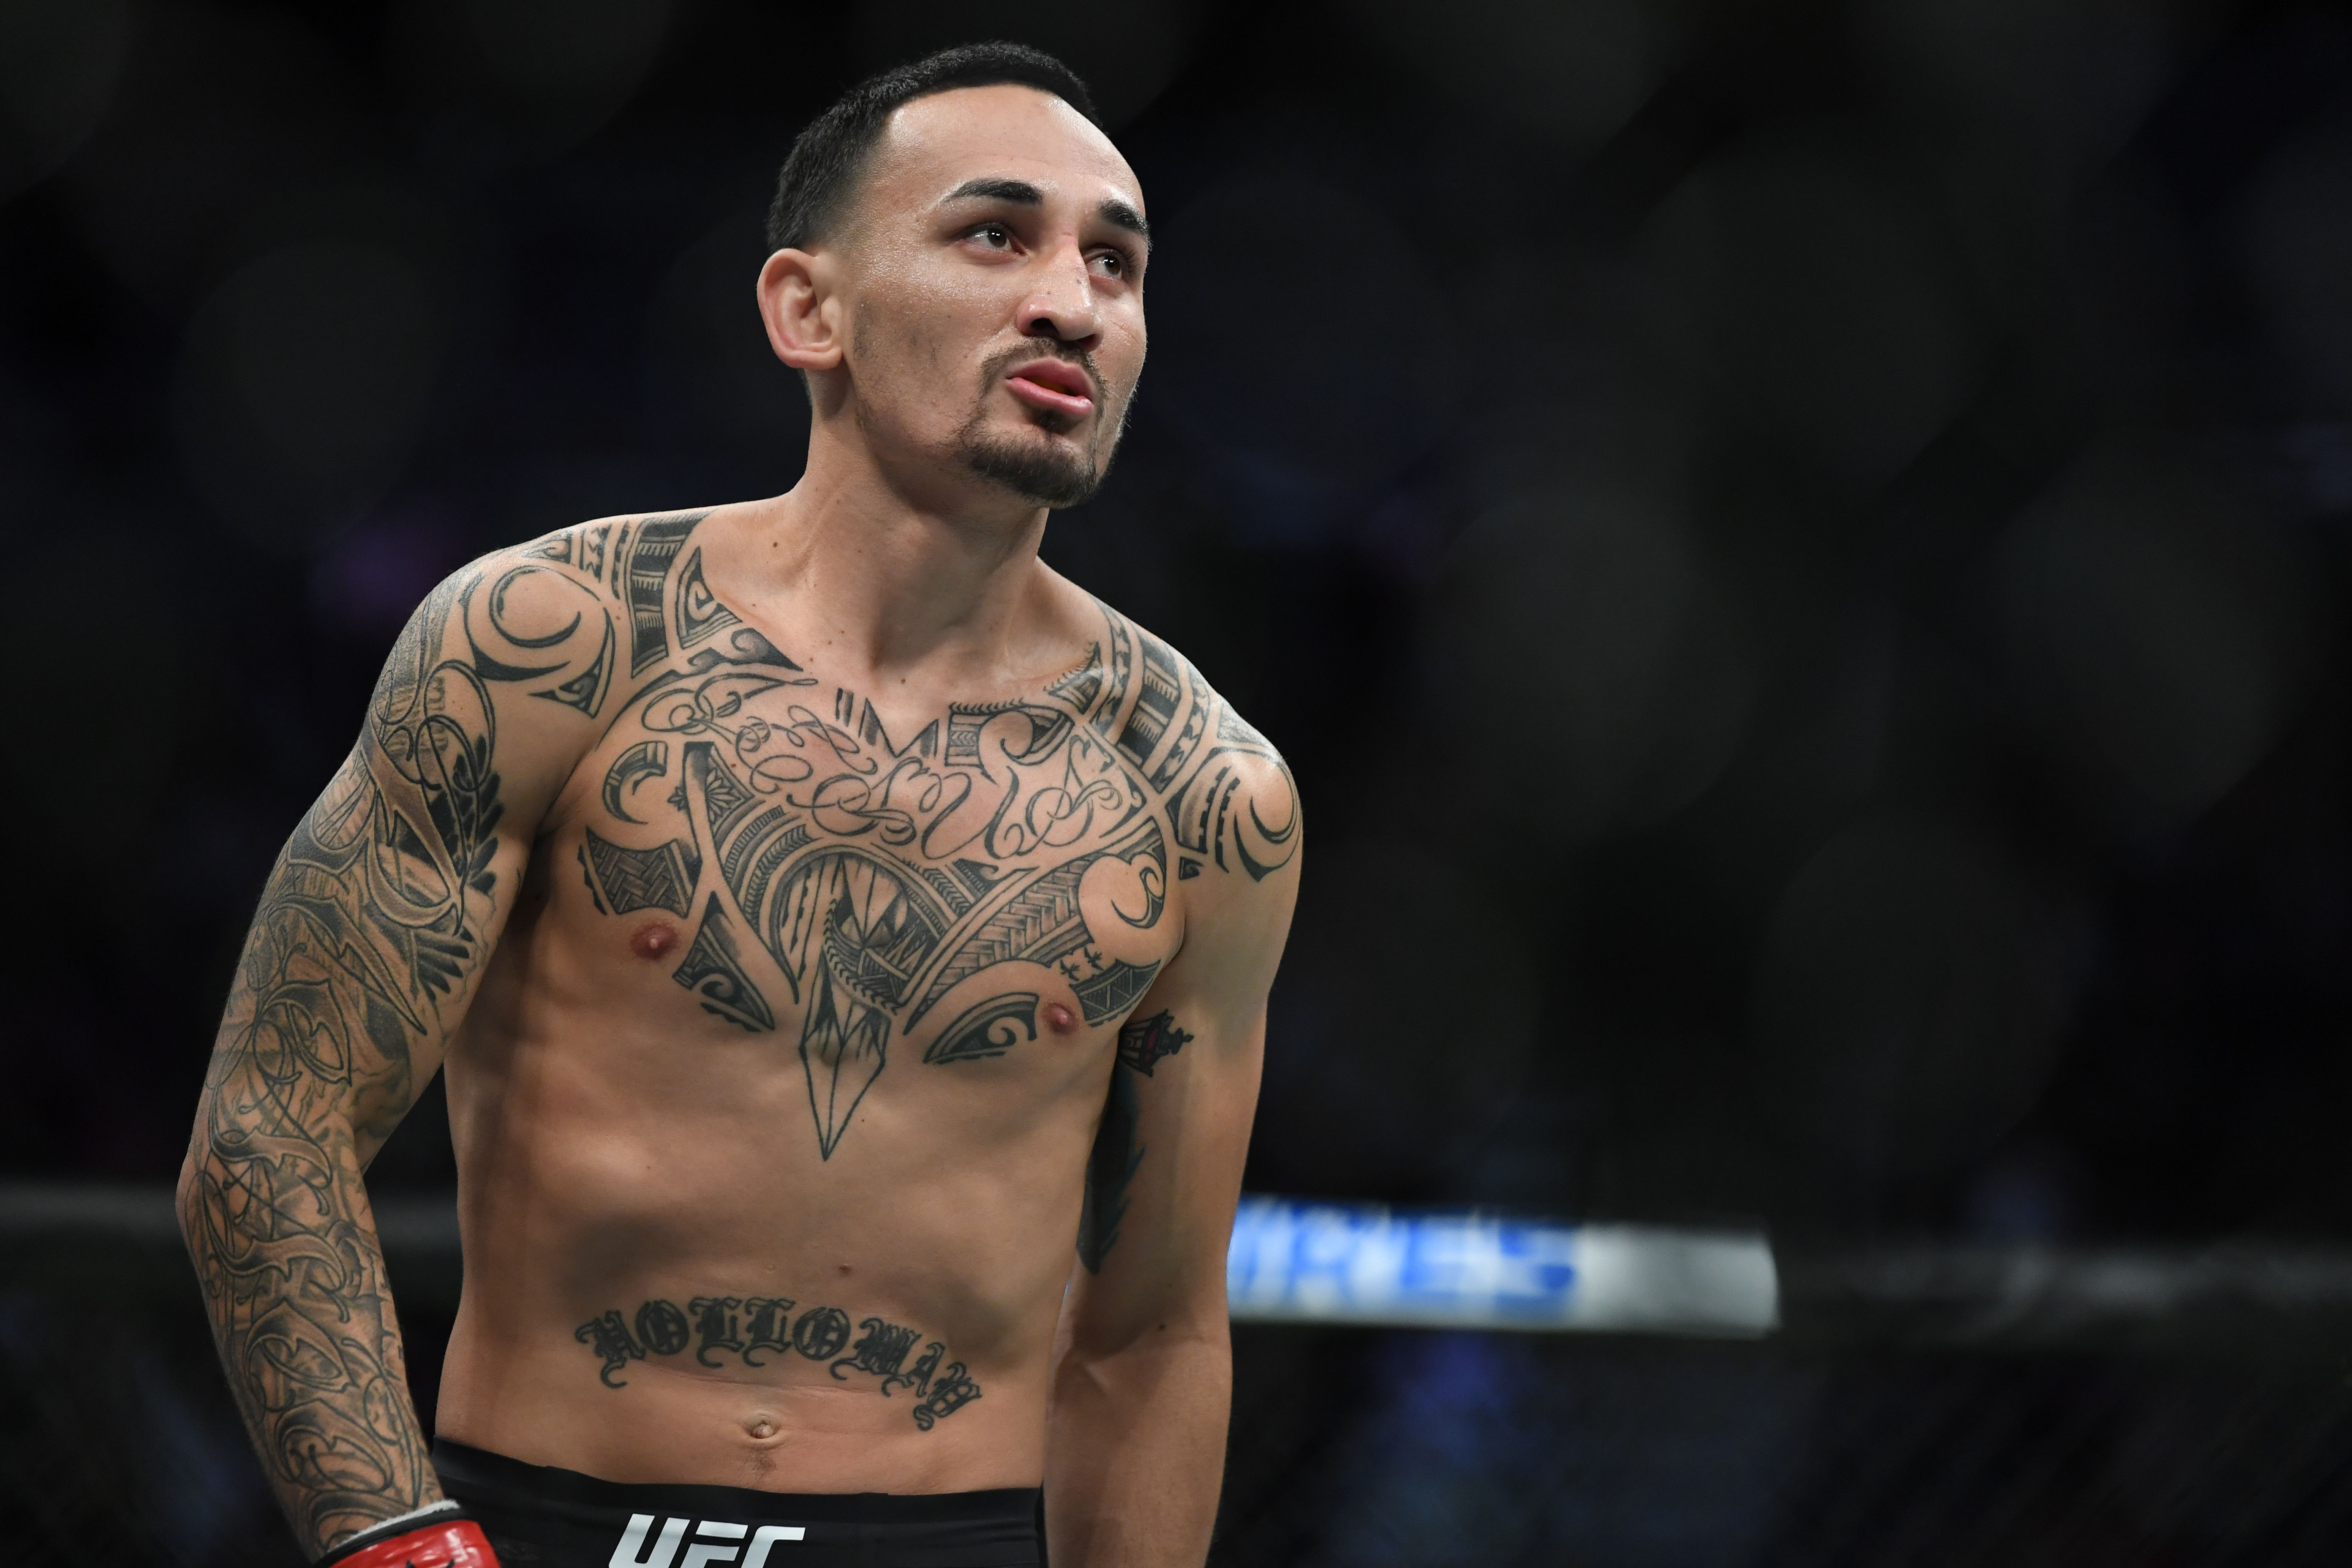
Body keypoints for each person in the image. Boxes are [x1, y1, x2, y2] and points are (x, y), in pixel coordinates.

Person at [177, 41, 1300, 1568]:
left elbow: (1155, 1332)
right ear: (806, 310)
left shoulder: (1203, 791)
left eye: (1117, 262)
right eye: (996, 234)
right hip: (536, 1525)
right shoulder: (551, 648)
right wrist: (396, 1544)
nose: (1073, 302)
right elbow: (272, 1130)